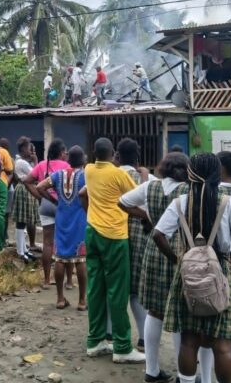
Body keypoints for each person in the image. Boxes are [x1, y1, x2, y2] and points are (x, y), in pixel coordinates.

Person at [153, 152, 231, 383]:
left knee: (189, 340)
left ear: (190, 173)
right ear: (216, 172)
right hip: (219, 273)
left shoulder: (180, 203)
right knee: (222, 343)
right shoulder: (227, 202)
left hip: (187, 274)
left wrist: (175, 258)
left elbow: (158, 234)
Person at [120, 152, 189, 383]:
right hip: (179, 249)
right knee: (180, 312)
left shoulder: (151, 186)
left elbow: (123, 202)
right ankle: (183, 373)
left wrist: (147, 217)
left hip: (154, 248)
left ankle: (151, 370)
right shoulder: (188, 191)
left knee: (155, 310)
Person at [82, 137, 144, 363]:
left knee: (95, 289)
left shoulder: (88, 170)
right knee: (118, 292)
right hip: (115, 235)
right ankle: (122, 346)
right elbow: (138, 198)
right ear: (114, 154)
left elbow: (84, 195)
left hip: (92, 232)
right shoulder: (119, 174)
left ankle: (95, 341)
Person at [36, 145, 88, 311]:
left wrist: (54, 201)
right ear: (83, 160)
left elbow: (39, 187)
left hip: (62, 218)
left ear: (69, 160)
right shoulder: (85, 176)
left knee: (60, 257)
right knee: (80, 259)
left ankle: (59, 299)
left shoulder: (59, 175)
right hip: (79, 219)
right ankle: (81, 301)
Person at [115, 138, 150, 353]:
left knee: (115, 288)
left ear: (117, 155)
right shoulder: (148, 179)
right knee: (136, 291)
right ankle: (144, 338)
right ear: (137, 157)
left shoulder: (110, 176)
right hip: (139, 239)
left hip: (112, 235)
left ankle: (112, 335)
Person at [25, 139, 70, 287]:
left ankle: (46, 280)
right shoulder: (66, 166)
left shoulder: (42, 165)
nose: (66, 154)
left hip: (45, 205)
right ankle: (68, 280)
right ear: (61, 153)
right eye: (65, 152)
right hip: (61, 206)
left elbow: (27, 181)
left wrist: (40, 197)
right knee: (65, 242)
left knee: (47, 243)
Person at [13, 137, 40, 262]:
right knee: (21, 221)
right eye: (29, 148)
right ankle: (20, 251)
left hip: (25, 189)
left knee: (23, 221)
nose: (31, 151)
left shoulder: (22, 161)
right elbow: (36, 174)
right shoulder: (21, 163)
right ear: (24, 148)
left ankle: (24, 249)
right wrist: (36, 160)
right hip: (24, 189)